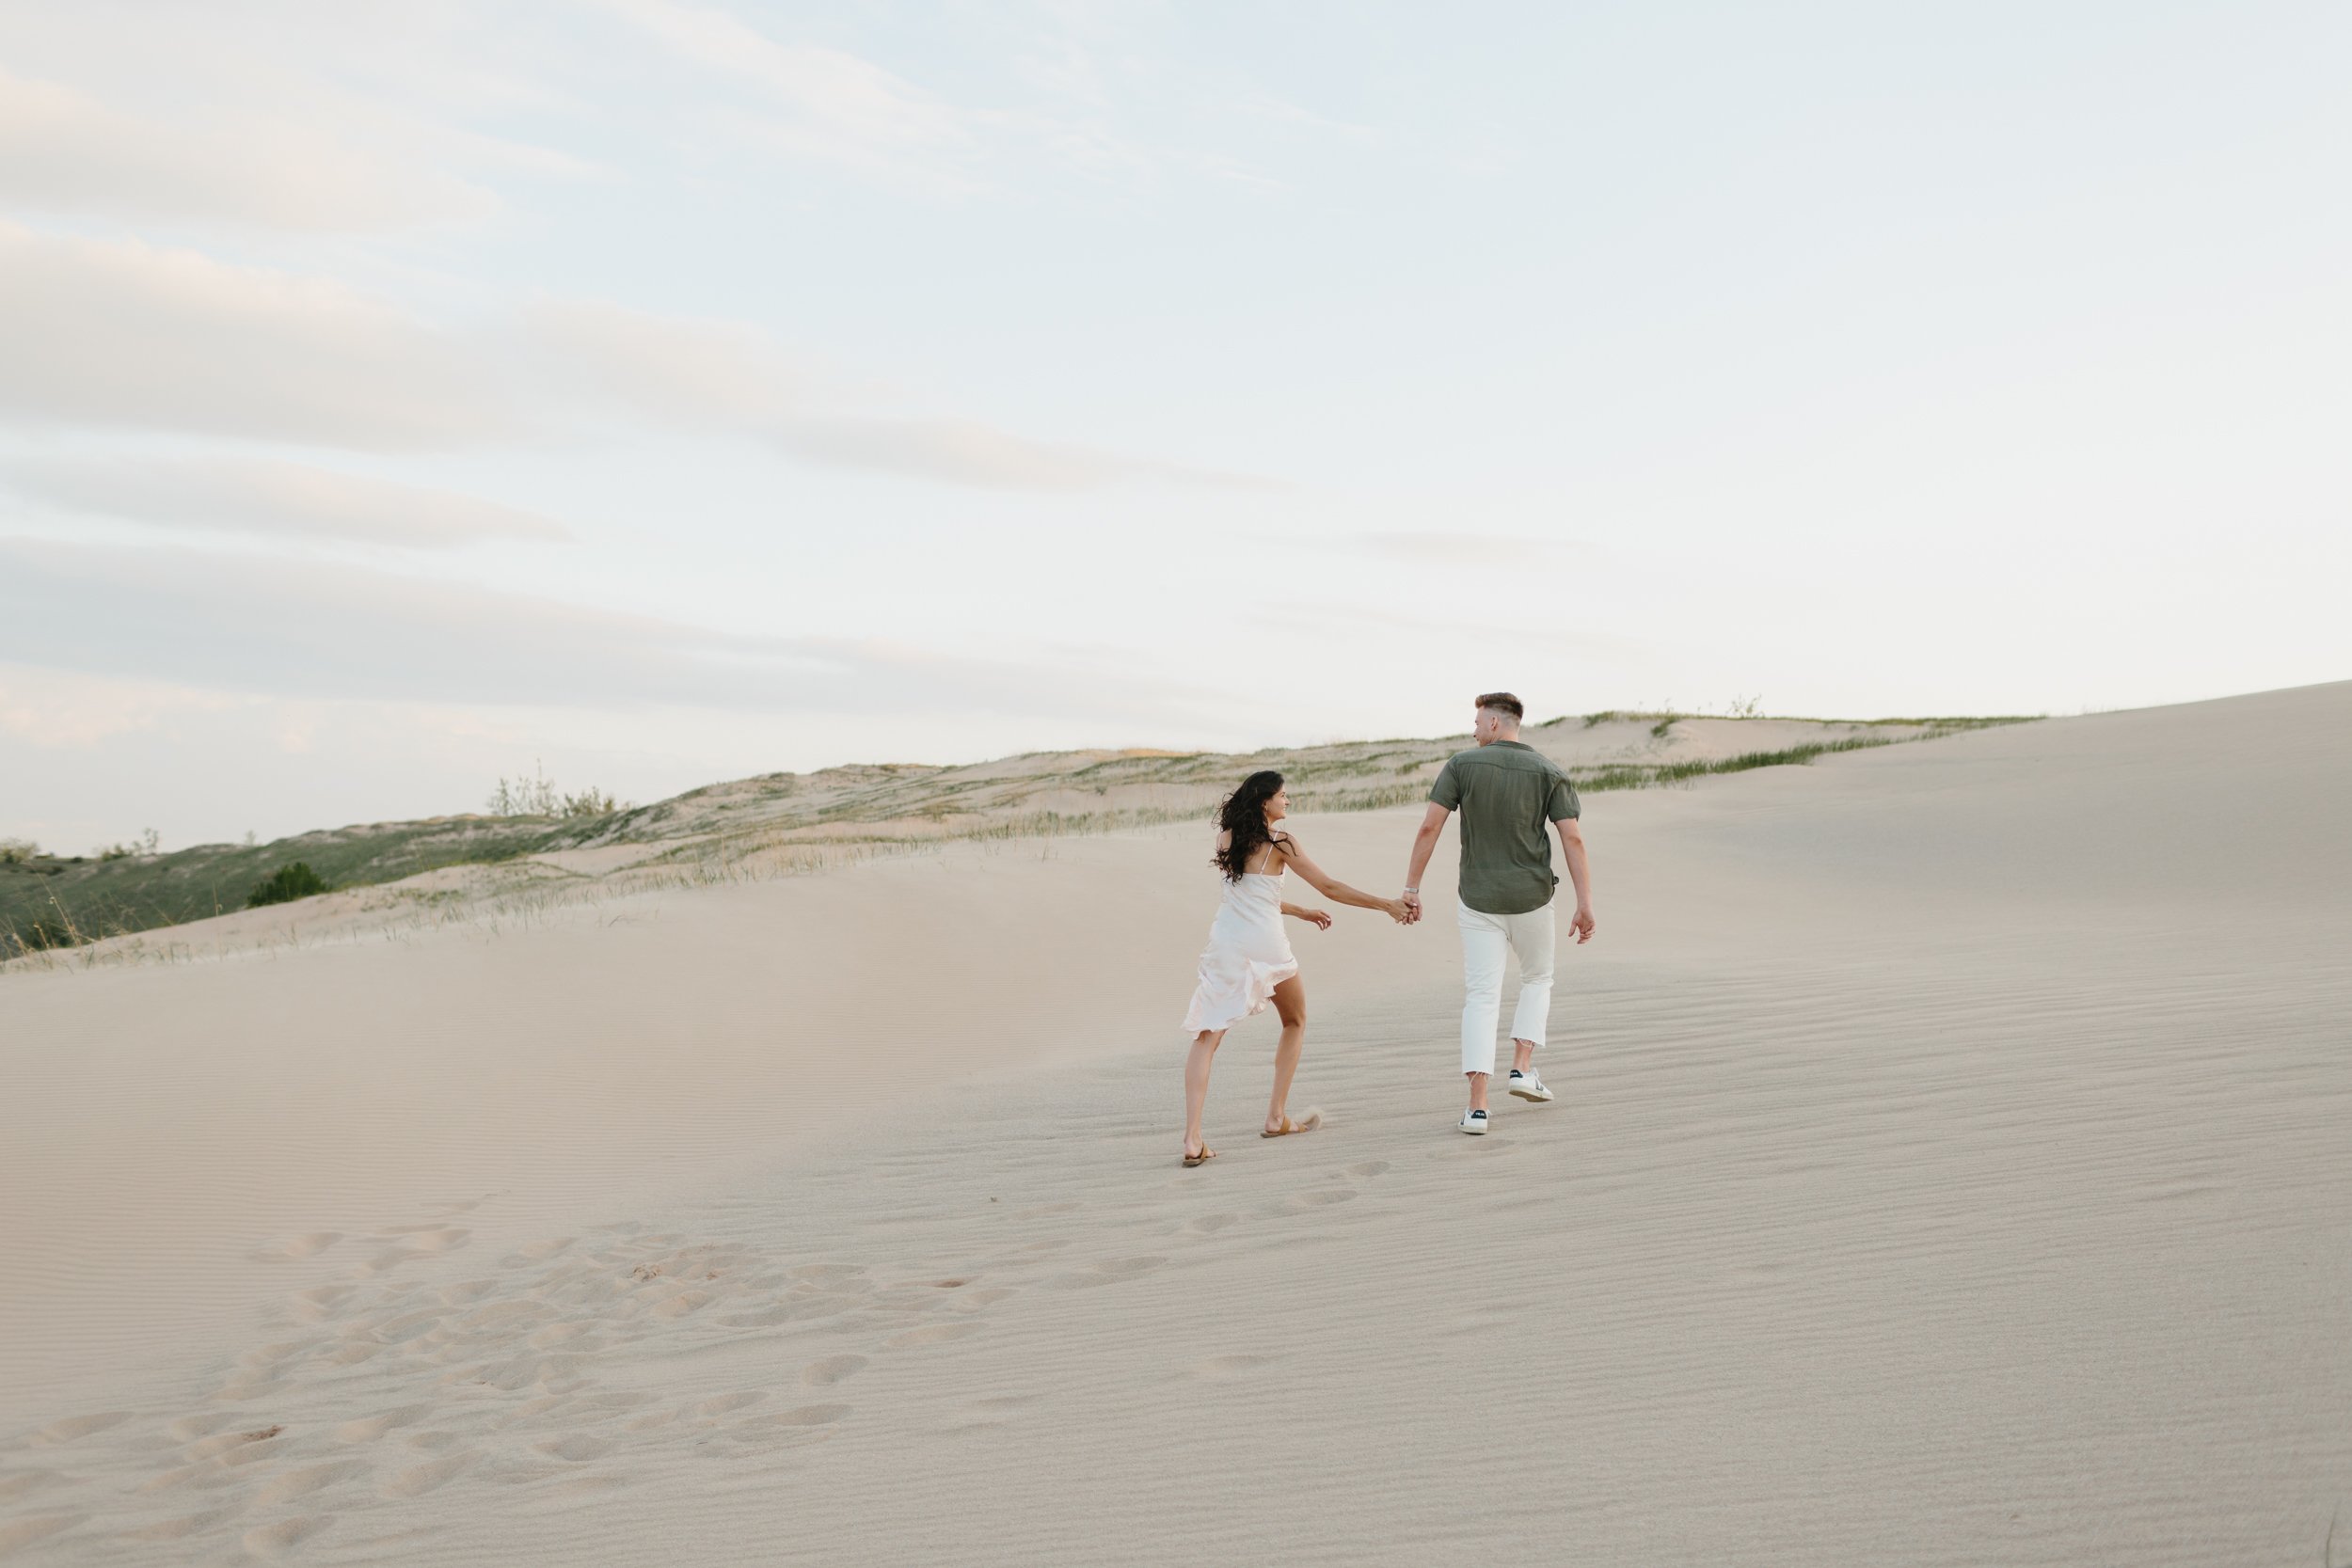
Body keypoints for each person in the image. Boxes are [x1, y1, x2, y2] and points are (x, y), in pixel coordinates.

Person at [1181, 770, 1411, 1166]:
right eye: (1283, 796)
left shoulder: (1226, 839)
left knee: (1207, 1036)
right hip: (1265, 944)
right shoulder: (1281, 842)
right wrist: (1386, 905)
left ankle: (1192, 1139)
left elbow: (1251, 895)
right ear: (1263, 801)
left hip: (1225, 943)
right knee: (1295, 1020)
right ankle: (1275, 1116)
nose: (1288, 801)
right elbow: (1330, 887)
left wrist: (1301, 911)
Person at [1400, 692, 1596, 1134]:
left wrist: (1411, 887)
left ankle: (1478, 1107)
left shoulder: (1461, 766)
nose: (1472, 729)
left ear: (1493, 723)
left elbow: (1430, 825)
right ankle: (1522, 1067)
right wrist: (1584, 904)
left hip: (1478, 899)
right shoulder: (1550, 771)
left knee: (1482, 996)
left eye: (1476, 721)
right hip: (1531, 897)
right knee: (1537, 978)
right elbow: (1573, 840)